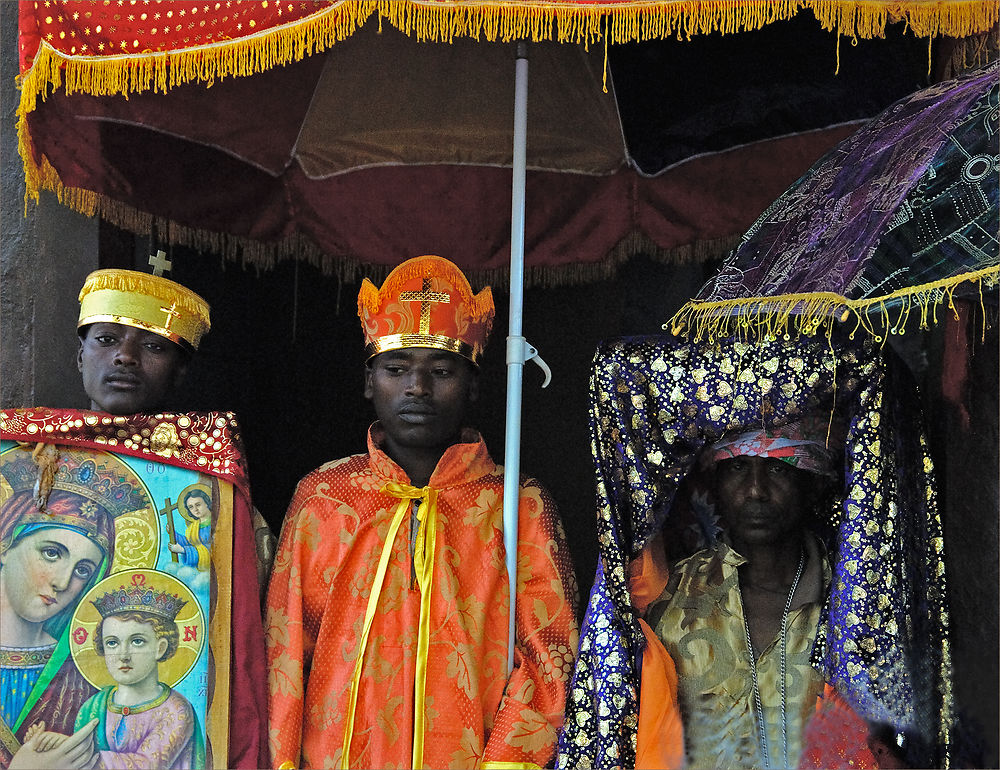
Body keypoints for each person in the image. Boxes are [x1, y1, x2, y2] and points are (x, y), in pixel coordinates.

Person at [265, 255, 580, 769]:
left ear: (474, 386)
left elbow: (551, 654)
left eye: (441, 370)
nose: (417, 387)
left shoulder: (517, 504)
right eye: (396, 369)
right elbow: (282, 652)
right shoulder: (324, 498)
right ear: (370, 382)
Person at [644, 418, 840, 769]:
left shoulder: (850, 602)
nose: (755, 491)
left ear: (811, 485)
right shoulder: (667, 598)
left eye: (778, 469)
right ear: (715, 483)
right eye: (737, 467)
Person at [0, 450, 120, 769]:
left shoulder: (83, 682)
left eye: (83, 570)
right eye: (52, 553)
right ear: (5, 542)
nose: (64, 582)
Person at [71, 584, 206, 769]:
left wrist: (72, 757)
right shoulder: (93, 707)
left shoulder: (176, 710)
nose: (123, 655)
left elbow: (146, 765)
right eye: (112, 643)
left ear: (160, 648)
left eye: (137, 641)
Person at [168, 489, 213, 571]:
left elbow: (212, 550)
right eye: (191, 507)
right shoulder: (193, 527)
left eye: (198, 504)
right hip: (199, 572)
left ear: (206, 503)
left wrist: (184, 550)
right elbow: (190, 542)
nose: (195, 509)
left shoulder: (217, 523)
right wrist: (173, 534)